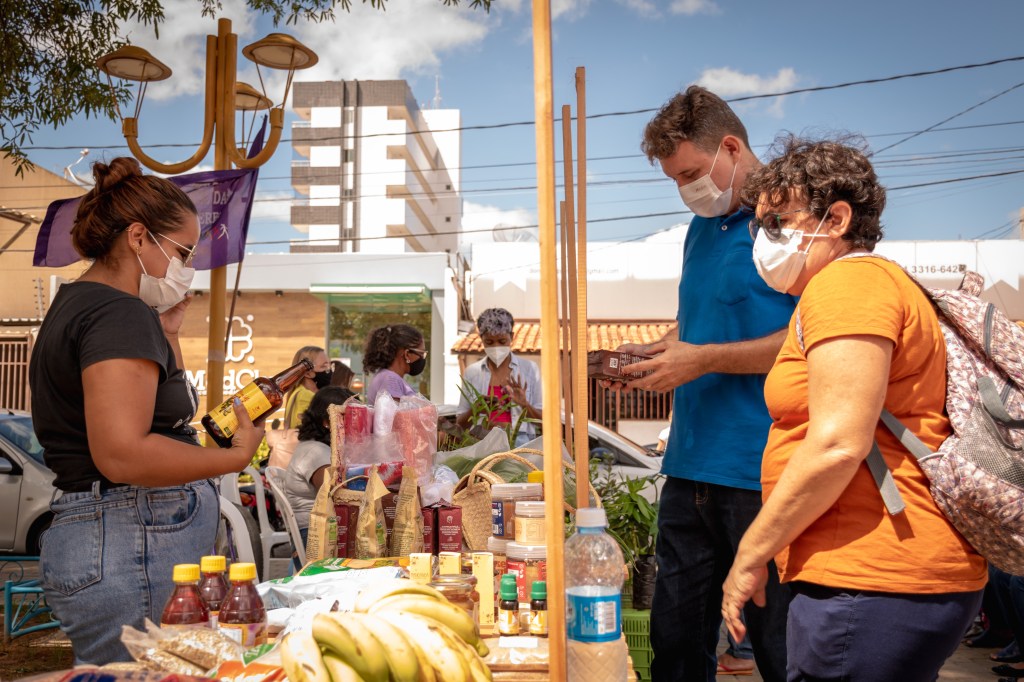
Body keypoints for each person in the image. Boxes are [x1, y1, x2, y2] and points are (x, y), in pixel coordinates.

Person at [721, 136, 987, 681]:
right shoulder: (867, 284)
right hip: (881, 577)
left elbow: (838, 443)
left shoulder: (848, 283)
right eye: (759, 226)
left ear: (837, 219)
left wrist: (751, 552)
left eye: (777, 222)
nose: (764, 239)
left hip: (871, 577)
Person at [28, 157, 265, 665]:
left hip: (116, 539)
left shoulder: (89, 306)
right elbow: (123, 454)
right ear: (138, 237)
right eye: (182, 251)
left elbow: (161, 414)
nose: (187, 267)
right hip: (128, 541)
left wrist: (168, 332)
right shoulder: (117, 312)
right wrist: (233, 458)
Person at [614, 86, 796, 682]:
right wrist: (661, 351)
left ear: (732, 148)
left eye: (691, 173)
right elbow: (704, 323)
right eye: (674, 180)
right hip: (689, 467)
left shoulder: (794, 224)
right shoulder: (699, 228)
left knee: (781, 650)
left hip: (762, 473)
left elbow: (812, 338)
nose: (685, 190)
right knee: (675, 646)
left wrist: (703, 359)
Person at [456, 308, 543, 447]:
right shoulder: (472, 373)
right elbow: (460, 424)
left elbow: (543, 421)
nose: (496, 347)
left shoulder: (529, 370)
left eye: (502, 341)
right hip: (481, 444)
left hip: (519, 445)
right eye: (489, 342)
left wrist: (524, 404)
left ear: (512, 337)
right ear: (481, 339)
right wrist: (476, 410)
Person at [283, 386, 355, 546]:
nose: (354, 423)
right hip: (312, 534)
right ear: (327, 422)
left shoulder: (316, 447)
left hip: (318, 529)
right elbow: (336, 495)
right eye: (348, 417)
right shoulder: (315, 452)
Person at [363, 324, 426, 400]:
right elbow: (395, 407)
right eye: (422, 353)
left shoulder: (387, 376)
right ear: (407, 354)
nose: (423, 358)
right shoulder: (391, 379)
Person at [282, 346, 331, 429]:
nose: (328, 370)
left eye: (328, 365)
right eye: (323, 366)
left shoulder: (302, 392)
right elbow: (314, 431)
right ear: (307, 373)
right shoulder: (304, 397)